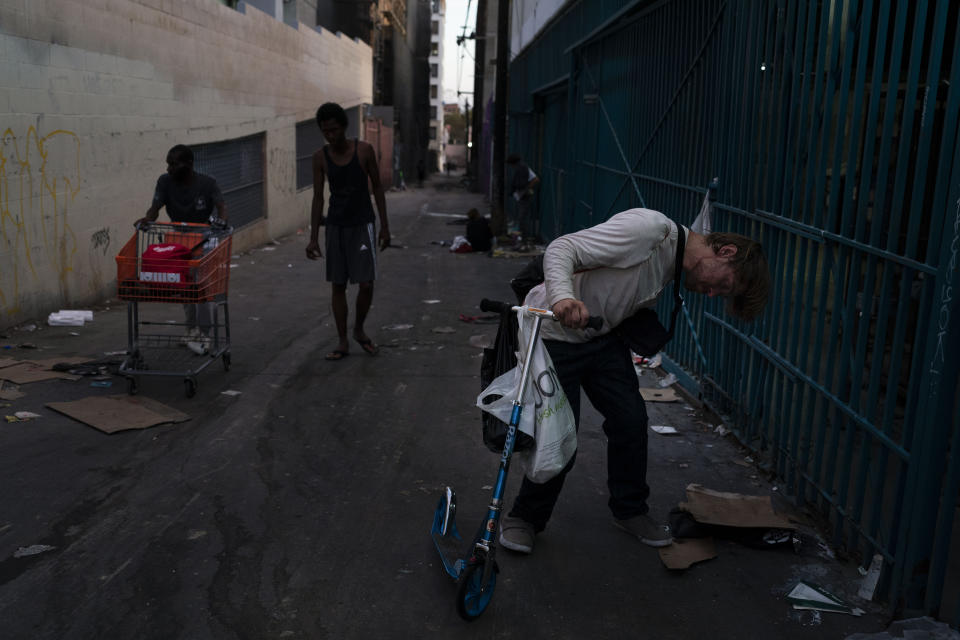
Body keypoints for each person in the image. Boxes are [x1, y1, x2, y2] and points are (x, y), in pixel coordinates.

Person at [498, 207, 771, 554]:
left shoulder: (673, 261)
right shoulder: (649, 230)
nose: (713, 294)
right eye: (725, 284)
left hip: (601, 337)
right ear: (726, 252)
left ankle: (630, 511)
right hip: (556, 336)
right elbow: (562, 248)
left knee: (630, 420)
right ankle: (525, 518)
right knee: (559, 433)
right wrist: (563, 297)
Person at [306, 102, 390, 360]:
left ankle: (359, 330)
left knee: (365, 283)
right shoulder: (320, 157)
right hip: (335, 226)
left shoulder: (364, 150)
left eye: (334, 130)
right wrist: (313, 238)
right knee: (338, 285)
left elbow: (377, 188)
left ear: (343, 127)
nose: (330, 135)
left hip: (362, 224)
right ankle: (342, 340)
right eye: (325, 132)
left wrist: (385, 227)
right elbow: (318, 197)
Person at [138, 144, 227, 355]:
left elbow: (222, 206)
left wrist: (222, 222)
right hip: (178, 240)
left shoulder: (207, 183)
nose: (169, 168)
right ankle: (190, 329)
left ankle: (204, 333)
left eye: (174, 164)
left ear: (189, 164)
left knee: (204, 288)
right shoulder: (165, 182)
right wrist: (147, 218)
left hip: (204, 239)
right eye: (168, 164)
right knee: (186, 287)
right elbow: (155, 207)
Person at [506, 154, 540, 239]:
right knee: (522, 217)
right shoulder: (521, 168)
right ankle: (523, 236)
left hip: (524, 196)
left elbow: (535, 179)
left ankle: (525, 237)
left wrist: (525, 189)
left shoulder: (523, 168)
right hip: (522, 195)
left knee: (522, 217)